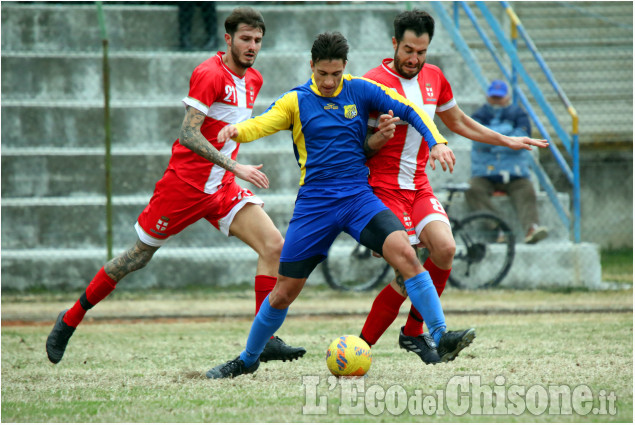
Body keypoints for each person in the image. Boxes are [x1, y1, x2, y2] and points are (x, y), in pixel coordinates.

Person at [206, 31, 477, 380]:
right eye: (322, 74)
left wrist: (436, 141)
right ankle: (248, 358)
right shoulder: (296, 100)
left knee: (407, 256)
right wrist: (237, 131)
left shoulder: (361, 89)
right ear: (312, 67)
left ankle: (440, 335)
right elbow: (263, 123)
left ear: (344, 68)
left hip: (358, 199)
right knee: (283, 294)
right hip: (315, 207)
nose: (330, 81)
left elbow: (410, 109)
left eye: (335, 73)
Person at [46, 7, 305, 365]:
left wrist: (231, 170)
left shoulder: (254, 80)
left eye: (258, 40)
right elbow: (188, 132)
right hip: (183, 187)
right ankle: (70, 319)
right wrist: (235, 165)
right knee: (137, 257)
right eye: (245, 39)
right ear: (228, 39)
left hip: (222, 188)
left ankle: (266, 339)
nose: (252, 46)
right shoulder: (209, 73)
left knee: (274, 246)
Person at [359, 10, 549, 364]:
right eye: (408, 50)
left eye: (422, 51)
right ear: (394, 44)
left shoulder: (434, 78)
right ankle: (362, 348)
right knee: (407, 270)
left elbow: (457, 121)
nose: (414, 59)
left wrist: (505, 140)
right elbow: (356, 144)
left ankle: (413, 332)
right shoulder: (370, 82)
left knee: (445, 249)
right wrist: (376, 141)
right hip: (382, 190)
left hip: (418, 187)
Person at [465, 79, 549, 244]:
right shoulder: (478, 115)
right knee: (472, 189)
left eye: (500, 97)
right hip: (485, 174)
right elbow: (477, 140)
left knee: (526, 189)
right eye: (494, 97)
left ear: (508, 97)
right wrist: (508, 137)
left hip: (515, 173)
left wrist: (492, 138)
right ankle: (498, 228)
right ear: (488, 97)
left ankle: (531, 229)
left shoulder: (519, 114)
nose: (496, 100)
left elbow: (521, 142)